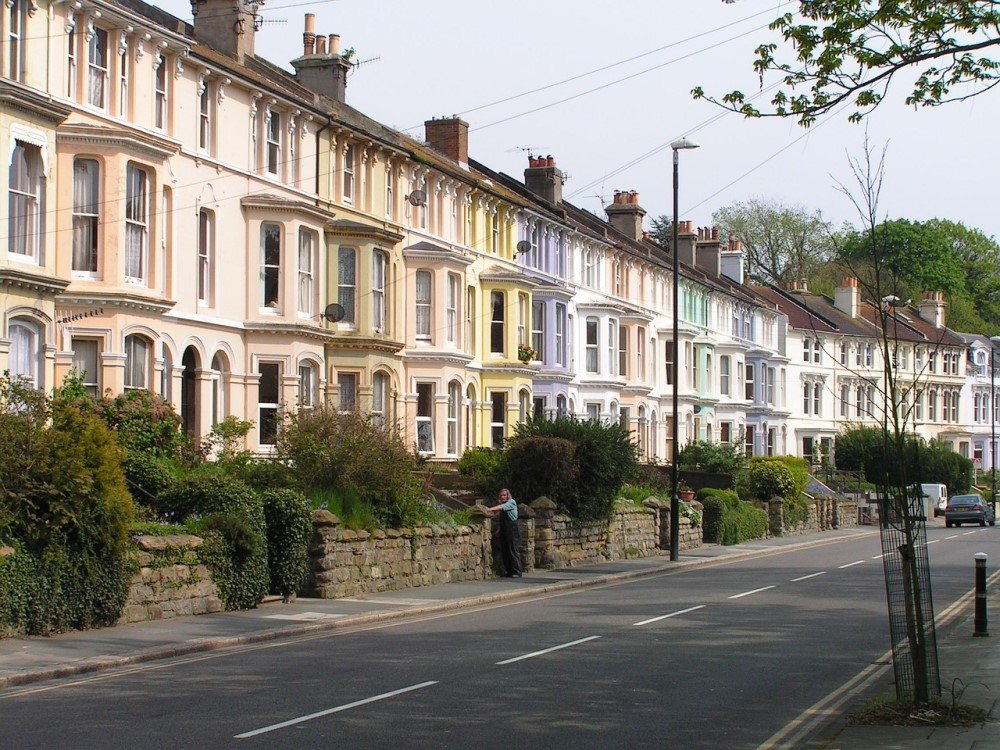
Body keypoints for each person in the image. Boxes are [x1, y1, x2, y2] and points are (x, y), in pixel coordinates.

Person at [487, 488, 522, 578]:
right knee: (505, 550)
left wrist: (488, 509)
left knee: (513, 549)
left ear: (508, 496)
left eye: (504, 495)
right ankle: (508, 571)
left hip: (512, 528)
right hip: (504, 529)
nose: (503, 497)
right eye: (501, 495)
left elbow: (501, 507)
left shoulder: (511, 502)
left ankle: (517, 571)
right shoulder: (503, 504)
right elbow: (502, 520)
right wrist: (499, 530)